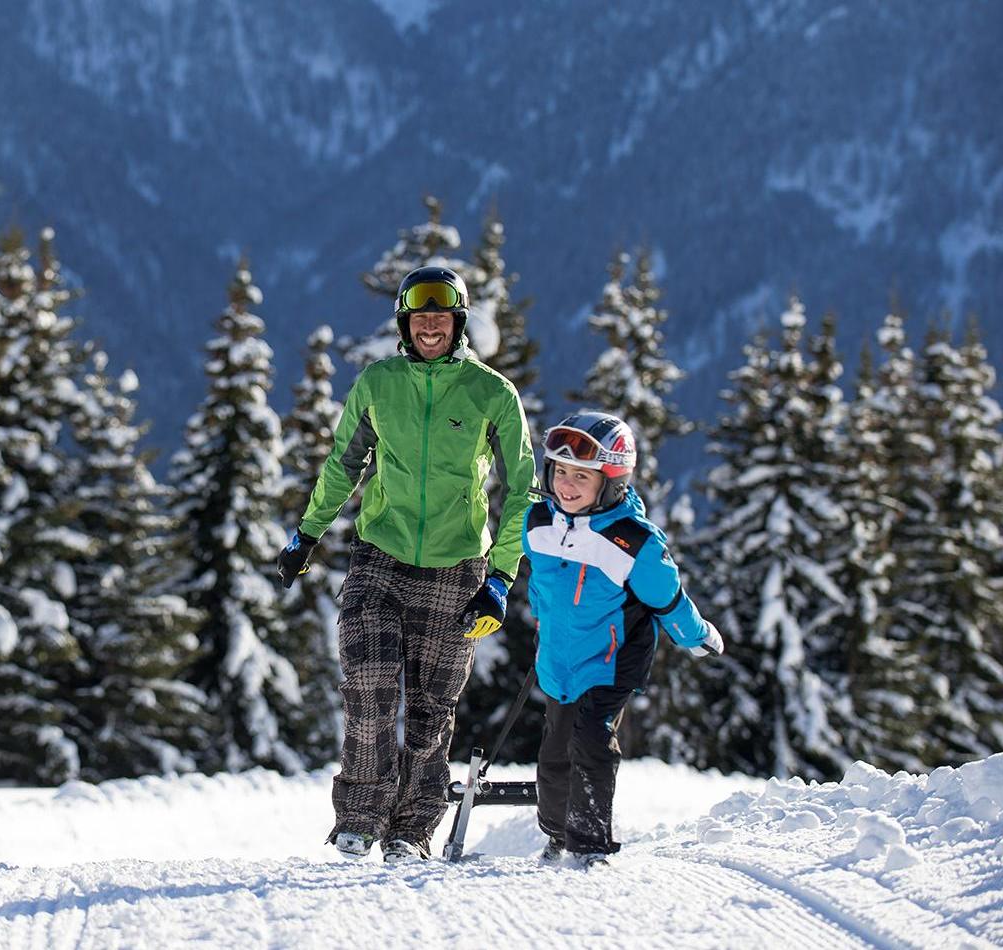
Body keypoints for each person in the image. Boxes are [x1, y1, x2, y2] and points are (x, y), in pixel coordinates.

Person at [278, 265, 536, 863]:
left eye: (441, 317)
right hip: (381, 554)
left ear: (458, 323)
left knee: (431, 707)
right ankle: (359, 819)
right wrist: (308, 532)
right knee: (368, 686)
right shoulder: (377, 383)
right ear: (404, 323)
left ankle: (412, 830)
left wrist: (500, 577)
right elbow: (345, 463)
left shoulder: (491, 393)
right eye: (419, 317)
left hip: (457, 566)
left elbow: (523, 489)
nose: (430, 326)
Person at [518, 410, 723, 869]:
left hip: (613, 657)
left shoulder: (634, 543)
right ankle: (556, 833)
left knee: (590, 738)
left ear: (610, 482)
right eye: (561, 472)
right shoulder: (536, 524)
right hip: (559, 657)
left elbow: (668, 599)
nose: (567, 485)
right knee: (554, 751)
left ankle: (589, 844)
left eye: (583, 477)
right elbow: (539, 585)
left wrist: (696, 636)